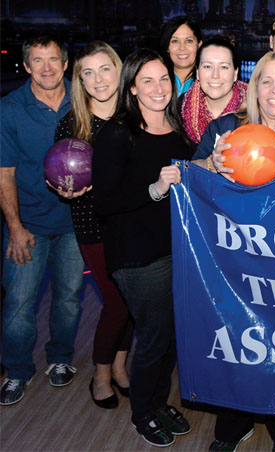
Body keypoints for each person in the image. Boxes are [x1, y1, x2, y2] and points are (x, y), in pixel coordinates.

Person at [192, 51, 275, 452]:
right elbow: (188, 184)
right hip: (231, 267)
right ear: (252, 88)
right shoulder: (225, 131)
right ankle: (231, 427)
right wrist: (211, 166)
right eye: (266, 81)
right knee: (238, 343)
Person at [93, 49, 193, 447]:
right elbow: (104, 202)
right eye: (147, 81)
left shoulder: (176, 127)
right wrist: (155, 188)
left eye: (164, 79)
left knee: (170, 336)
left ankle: (155, 400)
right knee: (154, 335)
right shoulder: (118, 133)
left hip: (175, 249)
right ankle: (142, 412)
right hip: (136, 255)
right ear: (132, 87)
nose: (158, 88)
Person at [0, 35, 85, 406]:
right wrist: (15, 228)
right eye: (38, 60)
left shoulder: (83, 98)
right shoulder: (10, 108)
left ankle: (61, 358)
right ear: (26, 66)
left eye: (53, 59)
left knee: (69, 298)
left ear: (66, 64)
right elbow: (4, 174)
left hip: (74, 222)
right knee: (19, 302)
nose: (47, 67)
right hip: (29, 224)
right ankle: (17, 370)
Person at [53, 41, 133, 409]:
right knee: (117, 301)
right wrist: (65, 190)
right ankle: (100, 375)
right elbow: (60, 174)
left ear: (118, 71)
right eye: (88, 72)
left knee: (134, 302)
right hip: (94, 224)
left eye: (105, 69)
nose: (98, 79)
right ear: (79, 80)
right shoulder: (72, 123)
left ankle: (120, 367)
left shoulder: (136, 115)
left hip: (134, 222)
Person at [181, 35, 248, 144]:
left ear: (235, 73)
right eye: (207, 66)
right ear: (197, 72)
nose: (215, 75)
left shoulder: (254, 109)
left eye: (224, 67)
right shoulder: (180, 108)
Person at [160, 16, 203, 97]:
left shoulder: (209, 83)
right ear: (167, 47)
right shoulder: (157, 80)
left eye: (189, 41)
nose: (182, 48)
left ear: (199, 45)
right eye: (175, 41)